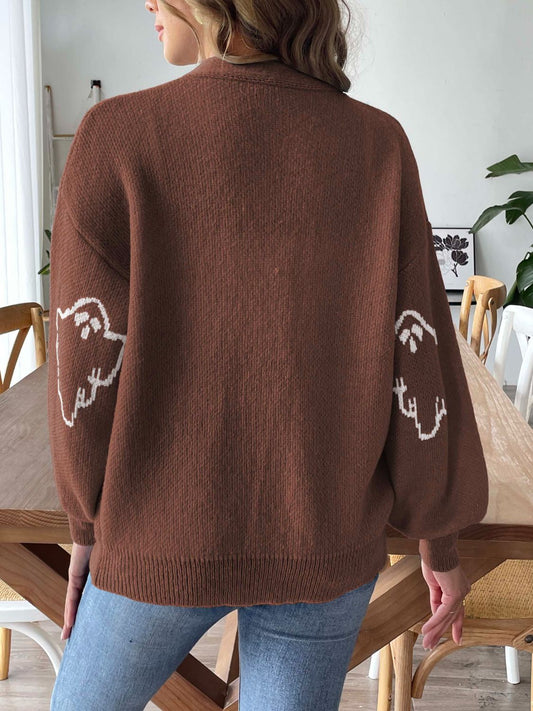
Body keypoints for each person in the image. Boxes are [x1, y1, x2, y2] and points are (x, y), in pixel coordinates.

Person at [47, 0, 489, 709]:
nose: (148, 3)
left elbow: (83, 368)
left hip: (158, 538)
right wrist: (438, 540)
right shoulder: (376, 144)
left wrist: (85, 527)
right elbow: (417, 355)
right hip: (322, 542)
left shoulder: (116, 136)